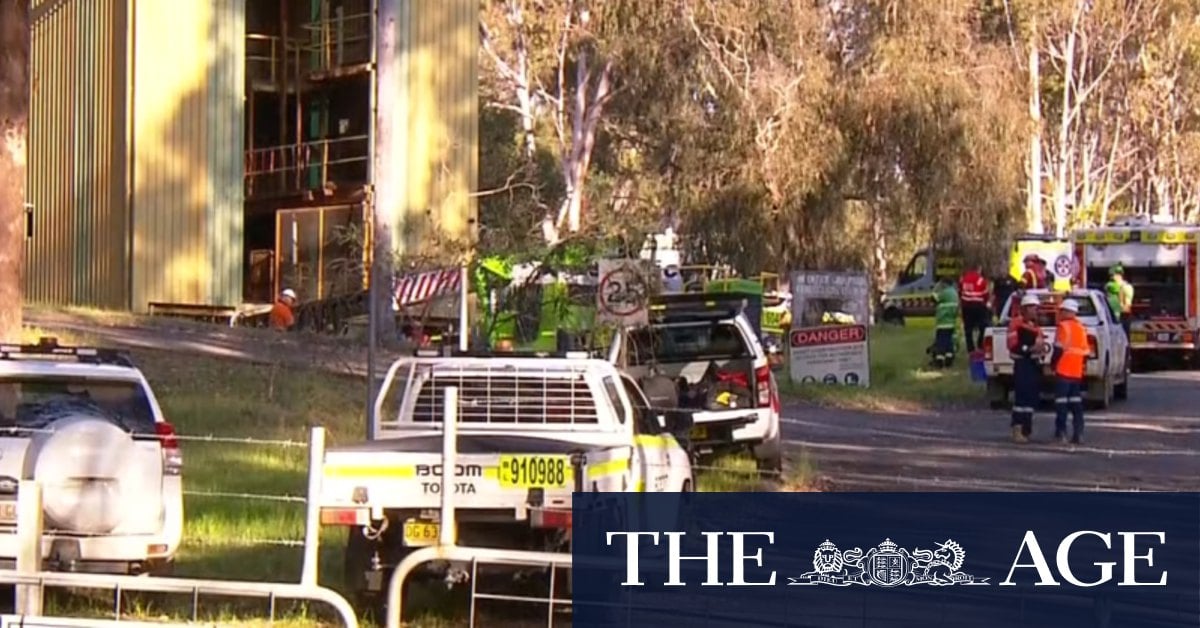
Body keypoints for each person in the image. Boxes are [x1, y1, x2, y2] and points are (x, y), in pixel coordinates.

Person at [1007, 293, 1048, 443]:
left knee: (1031, 397)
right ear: (1024, 309)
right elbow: (1013, 345)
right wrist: (1029, 348)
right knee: (1022, 397)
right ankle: (1017, 428)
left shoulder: (1036, 327)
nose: (1035, 311)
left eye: (1036, 308)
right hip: (1022, 364)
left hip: (1033, 365)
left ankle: (1027, 428)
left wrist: (1041, 349)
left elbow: (1042, 345)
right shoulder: (1016, 324)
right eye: (1032, 308)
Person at [1051, 298, 1090, 444]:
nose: (1060, 313)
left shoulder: (1063, 326)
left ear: (1068, 312)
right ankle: (1078, 433)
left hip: (1064, 369)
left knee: (1061, 403)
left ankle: (1061, 433)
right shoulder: (1081, 328)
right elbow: (1085, 352)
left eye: (1062, 310)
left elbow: (1059, 348)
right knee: (1076, 404)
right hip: (1076, 371)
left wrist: (1053, 364)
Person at [958, 263, 991, 353]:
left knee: (968, 329)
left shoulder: (963, 279)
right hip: (979, 306)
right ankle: (980, 345)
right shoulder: (981, 280)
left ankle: (970, 348)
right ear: (978, 269)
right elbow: (986, 295)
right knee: (983, 326)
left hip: (966, 307)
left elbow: (960, 291)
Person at [930, 278, 959, 368]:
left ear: (945, 284)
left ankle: (939, 361)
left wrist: (936, 287)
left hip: (943, 322)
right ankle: (949, 359)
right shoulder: (954, 293)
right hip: (951, 322)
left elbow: (933, 298)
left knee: (941, 342)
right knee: (949, 342)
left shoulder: (945, 292)